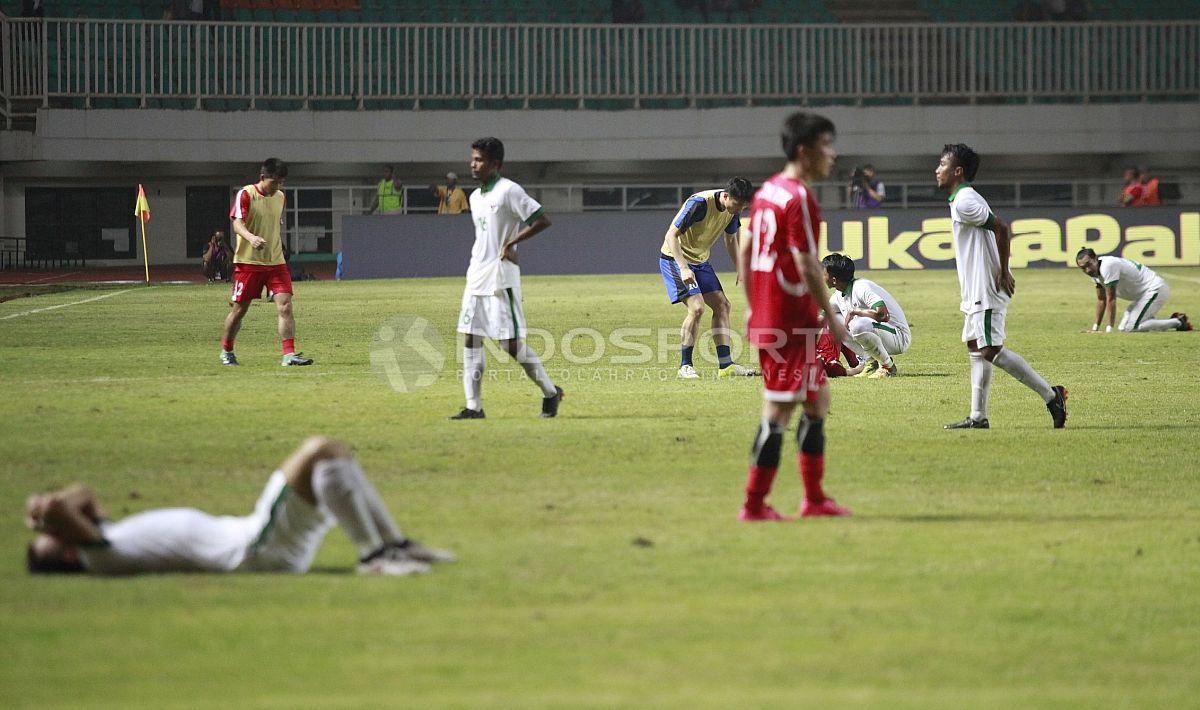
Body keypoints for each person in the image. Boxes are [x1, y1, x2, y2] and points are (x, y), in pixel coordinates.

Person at [24, 436, 455, 577]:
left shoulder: (107, 535)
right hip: (253, 549)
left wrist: (51, 509)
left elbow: (81, 496)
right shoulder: (100, 558)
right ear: (66, 549)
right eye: (51, 540)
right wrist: (43, 507)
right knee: (319, 450)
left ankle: (394, 545)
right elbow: (62, 509)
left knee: (334, 453)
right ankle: (375, 557)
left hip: (255, 539)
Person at [737, 111, 853, 522]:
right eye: (826, 145)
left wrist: (755, 305)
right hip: (790, 321)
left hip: (775, 316)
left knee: (817, 399)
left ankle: (814, 498)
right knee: (779, 411)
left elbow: (747, 252)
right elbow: (807, 264)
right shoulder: (798, 197)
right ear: (804, 151)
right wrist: (831, 316)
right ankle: (754, 505)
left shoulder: (768, 191)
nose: (833, 154)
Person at [936, 144, 1068, 430]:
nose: (937, 169)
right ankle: (977, 417)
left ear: (957, 171)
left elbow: (1002, 228)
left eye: (942, 164)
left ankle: (1051, 395)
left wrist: (1002, 271)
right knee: (976, 346)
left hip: (986, 288)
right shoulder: (961, 199)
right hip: (976, 289)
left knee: (991, 350)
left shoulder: (964, 201)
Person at [450, 137, 563, 420]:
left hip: (501, 279)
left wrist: (512, 242)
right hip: (476, 276)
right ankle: (474, 407)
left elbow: (542, 219)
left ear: (494, 164)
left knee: (510, 346)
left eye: (479, 160)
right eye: (473, 159)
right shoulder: (475, 197)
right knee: (470, 339)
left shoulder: (509, 191)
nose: (473, 164)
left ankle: (551, 393)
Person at [659, 178, 758, 379]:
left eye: (744, 206)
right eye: (738, 204)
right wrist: (684, 268)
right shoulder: (699, 203)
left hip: (700, 261)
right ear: (726, 196)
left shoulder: (732, 211)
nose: (740, 209)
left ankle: (726, 366)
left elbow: (730, 239)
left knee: (723, 305)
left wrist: (740, 268)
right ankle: (685, 366)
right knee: (697, 308)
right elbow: (671, 235)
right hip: (675, 258)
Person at [220, 158, 314, 367]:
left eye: (281, 183)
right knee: (239, 310)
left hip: (276, 263)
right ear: (263, 178)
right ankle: (227, 350)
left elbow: (273, 224)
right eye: (274, 182)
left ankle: (289, 355)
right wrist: (251, 238)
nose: (278, 187)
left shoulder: (280, 197)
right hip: (248, 263)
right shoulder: (246, 194)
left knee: (285, 306)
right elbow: (237, 224)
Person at [821, 252, 911, 378]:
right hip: (880, 332)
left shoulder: (861, 287)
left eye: (824, 274)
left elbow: (883, 315)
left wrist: (856, 311)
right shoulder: (838, 296)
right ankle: (871, 362)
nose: (822, 277)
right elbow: (822, 318)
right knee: (833, 320)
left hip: (898, 336)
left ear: (834, 280)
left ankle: (887, 366)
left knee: (857, 324)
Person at [1075, 248, 1191, 332]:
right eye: (1083, 268)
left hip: (1154, 289)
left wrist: (1109, 329)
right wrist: (1095, 328)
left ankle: (1179, 322)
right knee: (1123, 329)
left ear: (1095, 258)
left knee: (1132, 327)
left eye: (1088, 264)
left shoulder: (1108, 266)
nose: (1087, 270)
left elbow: (1111, 299)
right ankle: (1150, 320)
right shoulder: (1095, 273)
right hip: (1142, 295)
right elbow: (1101, 300)